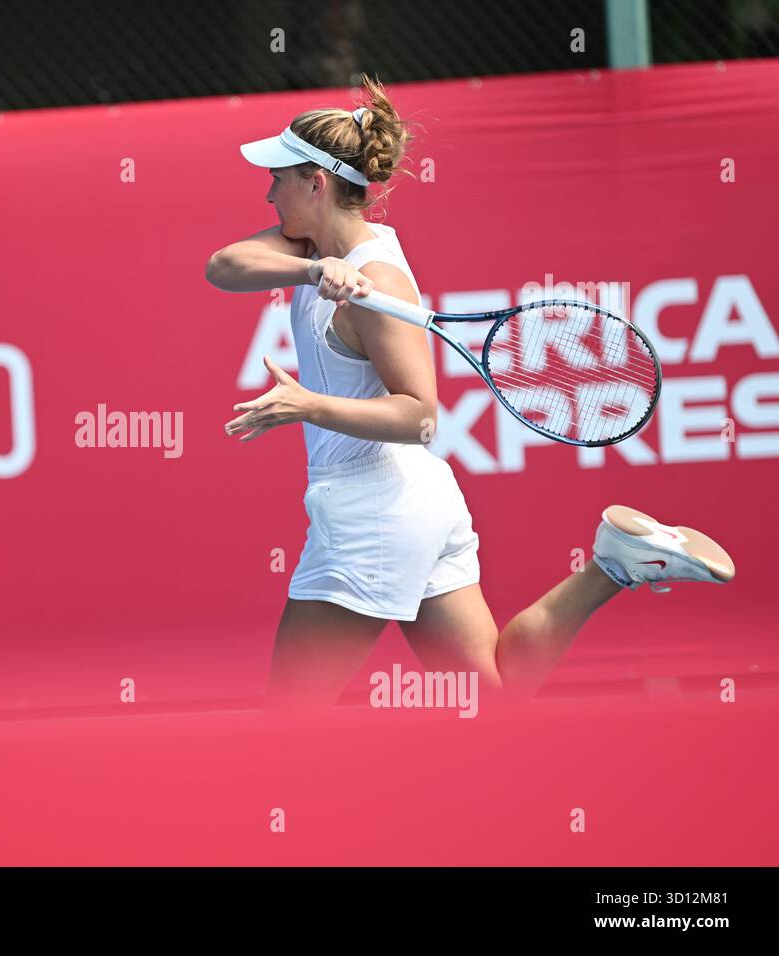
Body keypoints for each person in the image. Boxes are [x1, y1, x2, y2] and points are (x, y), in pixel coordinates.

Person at [204, 75, 736, 716]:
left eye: (278, 178)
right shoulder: (315, 247)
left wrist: (308, 406)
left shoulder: (379, 284)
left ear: (316, 184)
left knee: (288, 717)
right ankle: (613, 566)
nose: (267, 191)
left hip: (371, 513)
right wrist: (313, 269)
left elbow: (421, 417)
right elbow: (222, 266)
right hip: (417, 505)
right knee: (497, 691)